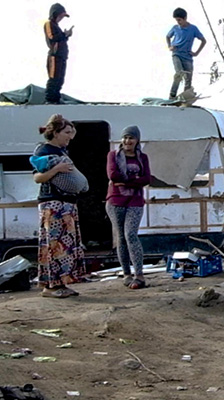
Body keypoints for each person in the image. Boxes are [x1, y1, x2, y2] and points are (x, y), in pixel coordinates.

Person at [33, 114, 85, 298]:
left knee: (67, 245)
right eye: (67, 132)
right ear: (55, 133)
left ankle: (62, 283)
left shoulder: (62, 151)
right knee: (54, 245)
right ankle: (50, 286)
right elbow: (37, 177)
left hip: (67, 204)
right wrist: (56, 169)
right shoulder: (43, 151)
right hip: (52, 203)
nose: (70, 136)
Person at [106, 126, 151, 289]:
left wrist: (125, 181)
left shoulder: (142, 157)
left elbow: (147, 178)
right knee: (121, 237)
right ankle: (126, 274)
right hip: (115, 200)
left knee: (130, 234)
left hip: (135, 200)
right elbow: (112, 175)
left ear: (137, 140)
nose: (127, 141)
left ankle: (139, 275)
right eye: (125, 137)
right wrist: (135, 180)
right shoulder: (113, 156)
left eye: (131, 138)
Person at [166, 8, 206, 100]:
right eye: (176, 20)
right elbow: (168, 36)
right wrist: (169, 46)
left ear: (185, 18)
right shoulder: (175, 28)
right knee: (179, 73)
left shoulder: (193, 29)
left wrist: (196, 53)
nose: (178, 22)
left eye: (179, 20)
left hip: (187, 56)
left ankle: (186, 96)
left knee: (188, 77)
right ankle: (172, 95)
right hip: (177, 54)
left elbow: (203, 40)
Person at [44, 3, 73, 104]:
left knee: (60, 78)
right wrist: (64, 34)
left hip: (61, 56)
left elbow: (59, 38)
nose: (61, 18)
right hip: (54, 56)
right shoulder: (49, 24)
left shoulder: (56, 26)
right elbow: (52, 37)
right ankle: (50, 100)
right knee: (54, 78)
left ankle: (56, 99)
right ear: (55, 14)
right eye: (61, 15)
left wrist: (66, 36)